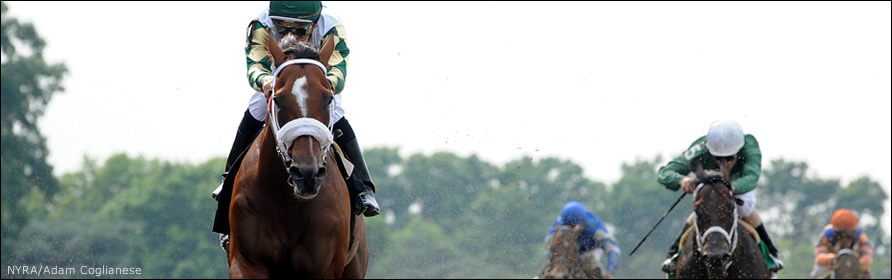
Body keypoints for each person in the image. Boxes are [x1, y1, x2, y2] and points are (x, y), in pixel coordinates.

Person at [211, 1, 380, 251]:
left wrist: (321, 85)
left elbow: (338, 70)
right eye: (281, 27)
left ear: (315, 21)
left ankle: (362, 187)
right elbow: (255, 63)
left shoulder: (332, 26)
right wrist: (265, 80)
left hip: (316, 83)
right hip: (278, 81)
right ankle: (229, 182)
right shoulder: (261, 23)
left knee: (337, 113)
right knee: (256, 109)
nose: (290, 34)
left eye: (301, 29)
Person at [656, 120, 783, 276]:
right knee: (706, 207)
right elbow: (665, 172)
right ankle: (674, 253)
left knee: (745, 206)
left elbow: (752, 177)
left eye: (730, 158)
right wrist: (682, 180)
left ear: (738, 151)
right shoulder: (700, 148)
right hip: (708, 184)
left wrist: (730, 188)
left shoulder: (749, 145)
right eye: (717, 158)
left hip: (737, 185)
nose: (724, 162)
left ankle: (771, 252)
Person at [543, 201, 620, 279]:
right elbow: (549, 245)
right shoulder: (559, 223)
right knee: (551, 266)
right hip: (566, 251)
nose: (570, 230)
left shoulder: (594, 226)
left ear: (582, 223)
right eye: (567, 226)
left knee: (591, 266)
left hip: (588, 252)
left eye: (573, 227)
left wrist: (610, 270)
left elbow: (613, 249)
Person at [808, 209, 873, 279]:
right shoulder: (827, 235)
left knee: (867, 274)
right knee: (816, 273)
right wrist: (831, 258)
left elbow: (867, 258)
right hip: (831, 263)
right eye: (841, 235)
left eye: (849, 236)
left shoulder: (861, 236)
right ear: (835, 231)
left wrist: (858, 264)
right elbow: (819, 258)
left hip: (854, 263)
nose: (845, 240)